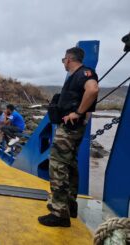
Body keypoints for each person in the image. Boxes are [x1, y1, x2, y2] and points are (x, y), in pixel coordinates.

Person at [38, 47, 99, 227]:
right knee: (70, 165)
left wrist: (78, 113)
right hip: (73, 128)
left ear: (69, 59)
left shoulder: (84, 73)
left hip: (69, 129)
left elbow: (93, 90)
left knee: (57, 166)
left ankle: (59, 213)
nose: (63, 62)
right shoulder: (78, 76)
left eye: (63, 59)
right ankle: (69, 205)